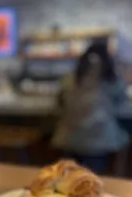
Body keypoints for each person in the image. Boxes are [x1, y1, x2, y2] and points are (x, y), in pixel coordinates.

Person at [52, 42, 129, 174]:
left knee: (68, 175)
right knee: (92, 176)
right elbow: (123, 107)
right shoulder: (111, 78)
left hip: (69, 138)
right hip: (99, 140)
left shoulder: (71, 77)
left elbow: (59, 104)